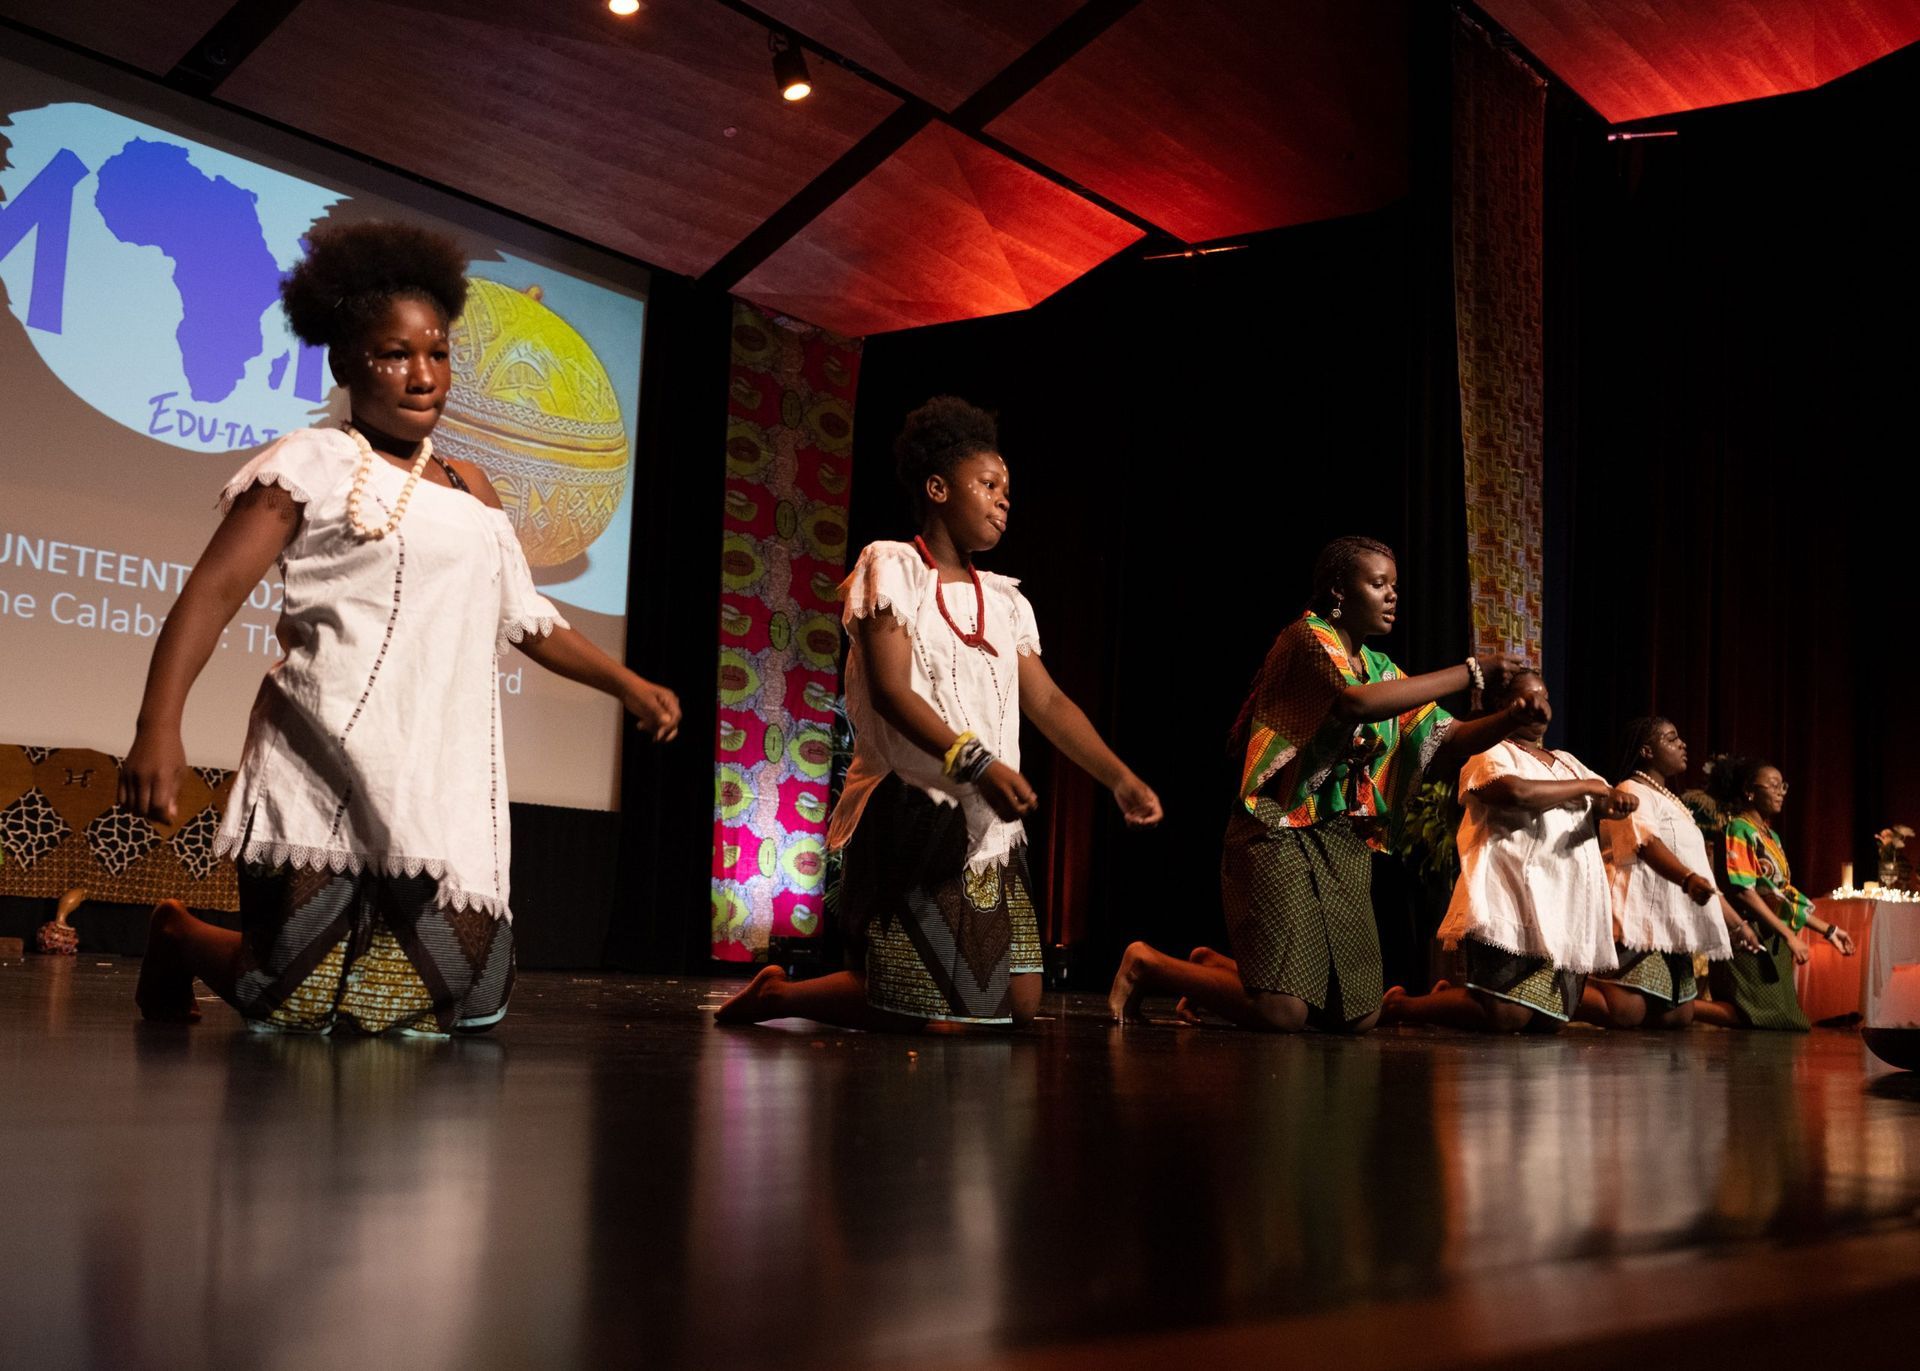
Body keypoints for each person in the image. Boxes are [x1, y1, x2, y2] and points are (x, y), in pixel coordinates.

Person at [123, 221, 681, 1034]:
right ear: (347, 362)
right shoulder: (308, 463)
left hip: (440, 783)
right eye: (395, 354)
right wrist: (157, 726)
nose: (424, 376)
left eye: (439, 353)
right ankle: (178, 932)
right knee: (297, 1003)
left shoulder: (472, 486)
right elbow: (212, 593)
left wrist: (626, 683)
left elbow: (527, 618)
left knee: (456, 998)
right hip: (323, 764)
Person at [716, 397, 1161, 1030]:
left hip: (987, 821)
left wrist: (1119, 776)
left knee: (1019, 1005)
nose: (1005, 499)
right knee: (939, 1019)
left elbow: (1049, 701)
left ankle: (803, 995)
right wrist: (977, 763)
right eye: (988, 484)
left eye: (1008, 489)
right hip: (914, 808)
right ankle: (781, 997)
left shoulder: (1006, 603)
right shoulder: (892, 568)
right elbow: (894, 693)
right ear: (937, 488)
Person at [1106, 537, 1536, 1033]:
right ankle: (1147, 963)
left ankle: (1212, 969)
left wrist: (1510, 717)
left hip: (1339, 841)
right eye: (1378, 584)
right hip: (1277, 829)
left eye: (1394, 586)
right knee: (1284, 1013)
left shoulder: (1380, 668)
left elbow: (1448, 737)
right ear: (1338, 590)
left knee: (1357, 1015)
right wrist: (1469, 672)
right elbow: (1355, 704)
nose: (1392, 596)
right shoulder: (1306, 639)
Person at [1381, 669, 1629, 1033]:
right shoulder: (1491, 751)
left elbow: (1604, 800)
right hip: (1512, 894)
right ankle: (1403, 1005)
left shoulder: (1567, 762)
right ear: (1507, 706)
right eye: (1530, 697)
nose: (1541, 705)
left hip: (1561, 901)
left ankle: (1452, 997)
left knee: (1549, 1019)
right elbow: (1513, 793)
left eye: (1545, 696)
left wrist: (1616, 801)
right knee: (1504, 1016)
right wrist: (1585, 789)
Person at [1580, 718, 1761, 1029]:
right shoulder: (1630, 790)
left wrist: (1737, 924)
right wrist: (1688, 880)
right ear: (1647, 751)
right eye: (1671, 739)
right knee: (1625, 1012)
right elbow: (1645, 844)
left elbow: (1702, 874)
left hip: (1669, 924)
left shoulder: (1673, 803)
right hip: (1639, 917)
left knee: (1677, 1016)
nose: (1683, 745)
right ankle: (1558, 996)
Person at [1691, 756, 1854, 1031]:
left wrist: (1829, 930)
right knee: (1760, 1016)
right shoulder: (1738, 829)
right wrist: (1790, 935)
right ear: (1750, 792)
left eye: (1783, 786)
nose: (1780, 792)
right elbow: (1744, 892)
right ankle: (1680, 1009)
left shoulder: (1770, 837)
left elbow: (1783, 894)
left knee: (1782, 1018)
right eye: (1773, 785)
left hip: (1771, 935)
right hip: (1749, 935)